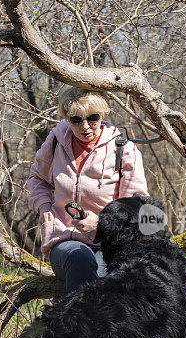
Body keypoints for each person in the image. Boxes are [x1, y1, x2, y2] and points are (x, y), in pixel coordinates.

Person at [28, 87, 149, 293]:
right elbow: (36, 178)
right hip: (65, 239)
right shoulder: (56, 141)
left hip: (111, 243)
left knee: (108, 276)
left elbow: (136, 207)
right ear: (66, 118)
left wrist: (102, 225)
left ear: (103, 114)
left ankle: (75, 319)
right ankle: (79, 322)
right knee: (80, 259)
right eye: (76, 120)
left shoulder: (124, 149)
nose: (85, 127)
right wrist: (44, 206)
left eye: (92, 118)